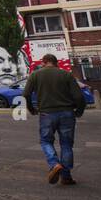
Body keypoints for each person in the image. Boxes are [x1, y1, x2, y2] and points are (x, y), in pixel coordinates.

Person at [23, 53, 86, 185]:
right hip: (67, 113)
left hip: (47, 114)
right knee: (66, 144)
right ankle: (66, 176)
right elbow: (79, 97)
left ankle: (54, 163)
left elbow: (26, 94)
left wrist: (31, 109)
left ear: (44, 62)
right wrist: (79, 111)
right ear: (56, 62)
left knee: (46, 141)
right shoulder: (66, 74)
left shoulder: (35, 75)